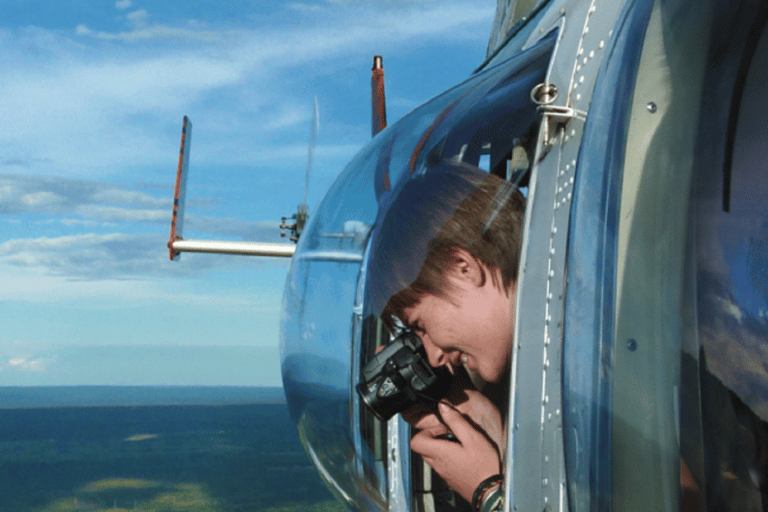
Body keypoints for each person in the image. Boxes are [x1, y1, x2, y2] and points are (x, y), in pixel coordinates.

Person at [366, 159, 525, 508]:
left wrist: (489, 492)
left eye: (420, 325)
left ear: (462, 268)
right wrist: (494, 432)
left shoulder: (600, 355)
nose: (435, 355)